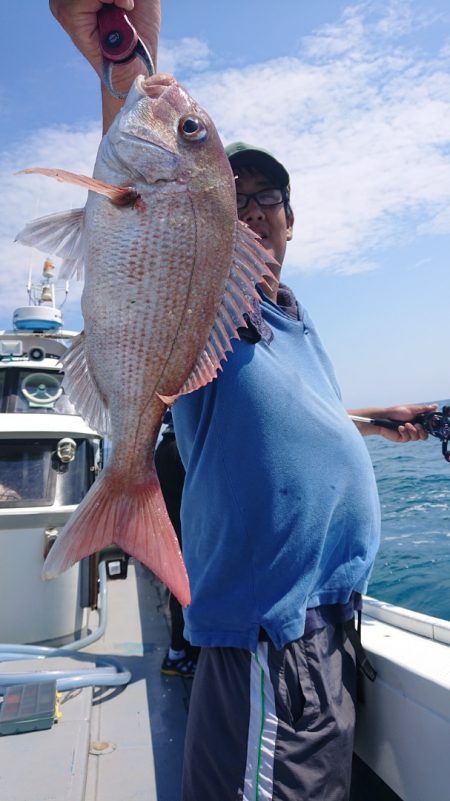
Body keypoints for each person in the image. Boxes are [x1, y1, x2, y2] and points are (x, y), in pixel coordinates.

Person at [49, 3, 435, 799]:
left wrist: (366, 420)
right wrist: (124, 57)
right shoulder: (213, 299)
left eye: (269, 198)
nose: (253, 206)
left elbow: (289, 418)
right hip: (269, 634)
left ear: (292, 221)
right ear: (217, 214)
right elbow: (136, 163)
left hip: (328, 625)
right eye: (238, 191)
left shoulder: (294, 315)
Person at [155, 413, 199, 678]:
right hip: (186, 535)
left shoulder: (165, 450)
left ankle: (178, 651)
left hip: (173, 533)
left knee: (179, 584)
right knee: (187, 585)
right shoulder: (178, 453)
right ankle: (178, 654)